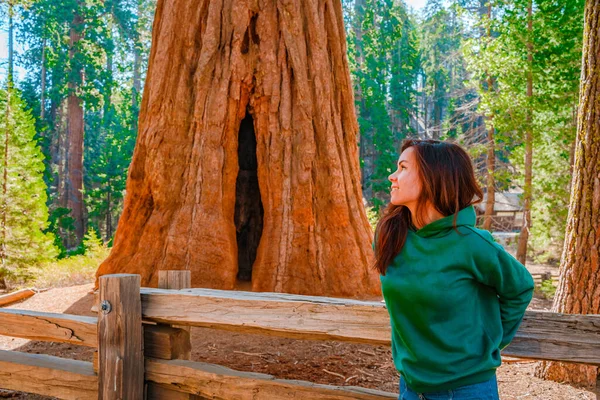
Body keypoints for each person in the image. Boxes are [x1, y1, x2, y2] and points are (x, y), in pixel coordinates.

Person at [374, 139, 534, 400]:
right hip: (411, 386)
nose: (392, 176)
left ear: (432, 177)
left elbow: (520, 288)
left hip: (465, 389)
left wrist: (488, 342)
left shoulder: (473, 244)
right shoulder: (390, 236)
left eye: (403, 168)